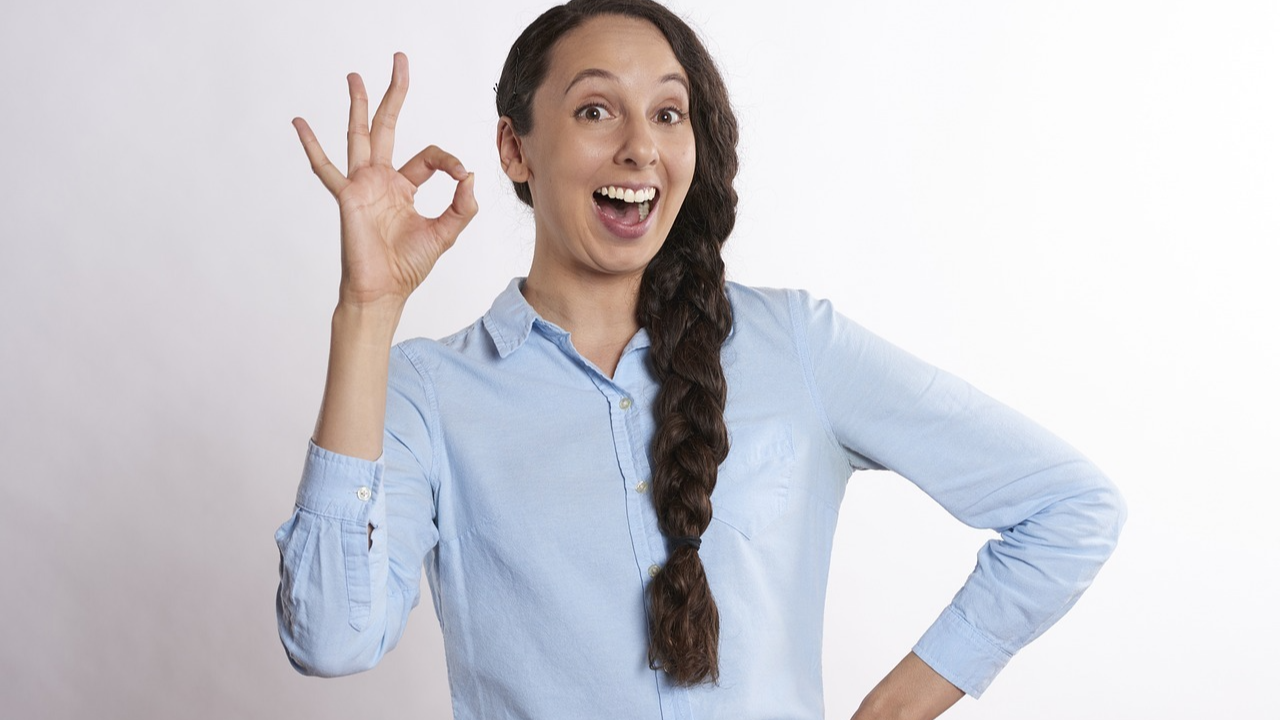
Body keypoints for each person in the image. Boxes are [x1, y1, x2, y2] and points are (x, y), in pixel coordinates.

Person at [275, 1, 1126, 718]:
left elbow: (1069, 507)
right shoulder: (428, 392)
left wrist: (893, 711)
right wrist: (367, 311)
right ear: (514, 149)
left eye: (668, 113)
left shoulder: (795, 346)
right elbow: (329, 639)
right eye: (595, 110)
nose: (640, 148)